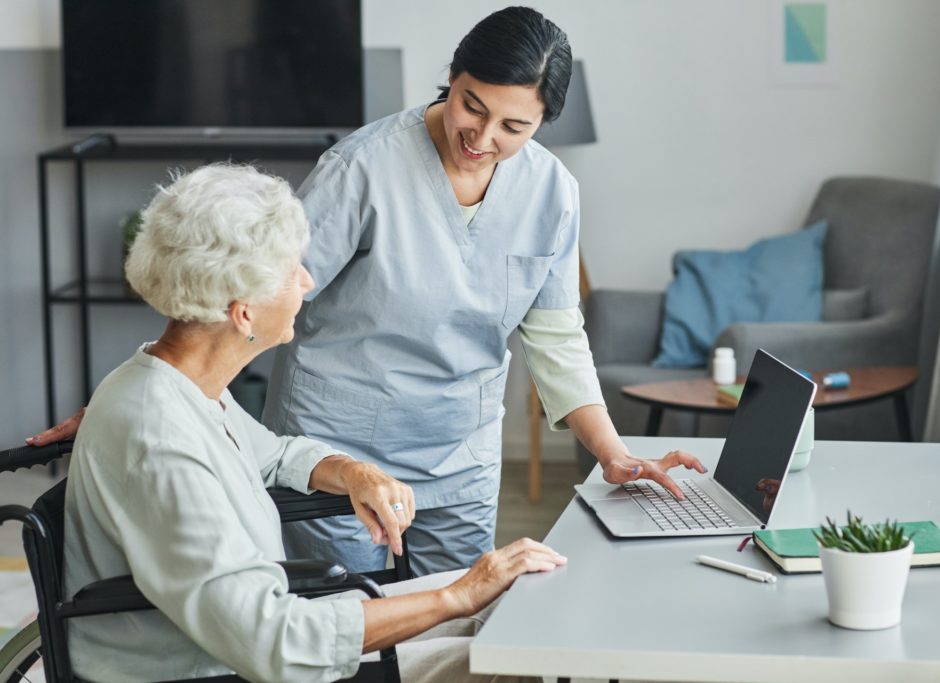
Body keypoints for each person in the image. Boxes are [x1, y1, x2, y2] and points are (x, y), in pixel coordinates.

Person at [32, 6, 706, 577]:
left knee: (452, 632)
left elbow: (556, 334)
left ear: (541, 124)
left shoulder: (553, 192)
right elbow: (250, 294)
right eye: (472, 105)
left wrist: (613, 453)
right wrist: (153, 394)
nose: (483, 136)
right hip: (337, 448)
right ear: (452, 76)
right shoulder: (362, 167)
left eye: (514, 127)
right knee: (344, 631)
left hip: (459, 453)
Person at [62, 164, 562, 683]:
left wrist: (350, 471)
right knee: (514, 657)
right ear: (244, 313)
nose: (307, 280)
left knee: (507, 601)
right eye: (291, 269)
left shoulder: (182, 387)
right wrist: (454, 597)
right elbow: (274, 642)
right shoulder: (161, 439)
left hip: (255, 634)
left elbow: (273, 454)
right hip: (220, 666)